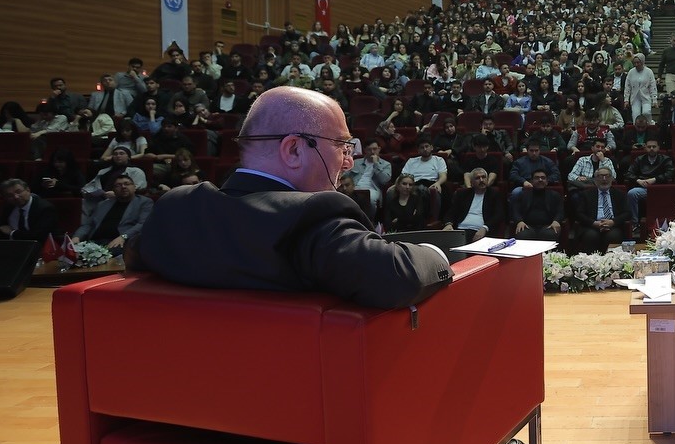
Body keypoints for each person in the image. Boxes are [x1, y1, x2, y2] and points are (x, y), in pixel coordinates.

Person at [129, 87, 452, 309]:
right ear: (295, 149)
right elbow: (399, 276)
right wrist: (437, 251)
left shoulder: (174, 209)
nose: (349, 161)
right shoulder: (310, 217)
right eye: (341, 146)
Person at [72, 174, 153, 254]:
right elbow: (88, 224)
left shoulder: (144, 202)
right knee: (72, 253)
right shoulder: (103, 204)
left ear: (134, 187)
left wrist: (123, 237)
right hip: (95, 242)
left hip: (121, 242)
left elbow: (143, 224)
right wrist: (77, 237)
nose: (123, 187)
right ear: (113, 190)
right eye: (118, 185)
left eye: (127, 184)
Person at [571, 165, 628, 252]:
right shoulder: (586, 194)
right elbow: (579, 214)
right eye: (600, 176)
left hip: (613, 225)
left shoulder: (619, 194)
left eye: (607, 176)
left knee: (613, 236)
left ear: (612, 178)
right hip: (592, 225)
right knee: (591, 236)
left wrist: (612, 222)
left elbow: (627, 213)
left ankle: (612, 262)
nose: (604, 179)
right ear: (595, 180)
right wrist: (594, 223)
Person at [0, 177, 59, 242]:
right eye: (10, 195)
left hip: (38, 247)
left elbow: (39, 236)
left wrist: (12, 232)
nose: (16, 197)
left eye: (18, 192)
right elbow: (0, 222)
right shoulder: (9, 205)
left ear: (28, 190)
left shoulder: (45, 208)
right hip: (12, 246)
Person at [623, 137, 674, 226]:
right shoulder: (639, 159)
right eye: (649, 147)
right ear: (645, 148)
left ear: (658, 147)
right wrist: (638, 180)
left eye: (654, 146)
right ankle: (634, 224)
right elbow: (629, 173)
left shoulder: (665, 159)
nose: (651, 149)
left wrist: (654, 179)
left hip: (660, 188)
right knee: (631, 193)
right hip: (644, 188)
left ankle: (665, 224)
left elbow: (670, 173)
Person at [446, 167, 505, 242]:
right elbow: (451, 212)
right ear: (471, 182)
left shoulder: (494, 194)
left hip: (480, 231)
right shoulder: (462, 194)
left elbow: (499, 215)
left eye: (483, 177)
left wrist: (485, 228)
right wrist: (448, 224)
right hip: (460, 230)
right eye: (477, 178)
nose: (481, 180)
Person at [508, 169, 564, 243]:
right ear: (531, 181)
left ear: (547, 181)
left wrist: (556, 221)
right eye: (537, 178)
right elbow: (515, 210)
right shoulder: (523, 194)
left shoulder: (555, 195)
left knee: (550, 234)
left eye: (543, 178)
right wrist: (519, 221)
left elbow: (560, 211)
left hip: (548, 225)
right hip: (527, 225)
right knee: (523, 235)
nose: (540, 180)